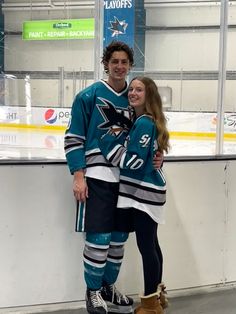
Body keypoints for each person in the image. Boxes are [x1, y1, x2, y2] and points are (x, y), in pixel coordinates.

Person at [64, 41, 163, 314]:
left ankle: (108, 286)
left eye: (124, 62)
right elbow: (74, 138)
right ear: (105, 63)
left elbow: (149, 135)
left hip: (127, 182)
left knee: (119, 238)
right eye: (114, 61)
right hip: (97, 178)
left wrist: (158, 155)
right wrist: (78, 175)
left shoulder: (133, 98)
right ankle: (92, 291)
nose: (119, 66)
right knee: (99, 237)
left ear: (130, 66)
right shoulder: (88, 96)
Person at [98, 77, 170, 314]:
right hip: (146, 192)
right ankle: (157, 298)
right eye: (132, 89)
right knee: (153, 245)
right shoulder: (142, 121)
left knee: (146, 246)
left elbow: (134, 161)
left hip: (144, 195)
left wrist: (110, 146)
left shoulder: (144, 123)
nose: (133, 93)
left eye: (139, 89)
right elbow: (148, 156)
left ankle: (150, 305)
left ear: (149, 95)